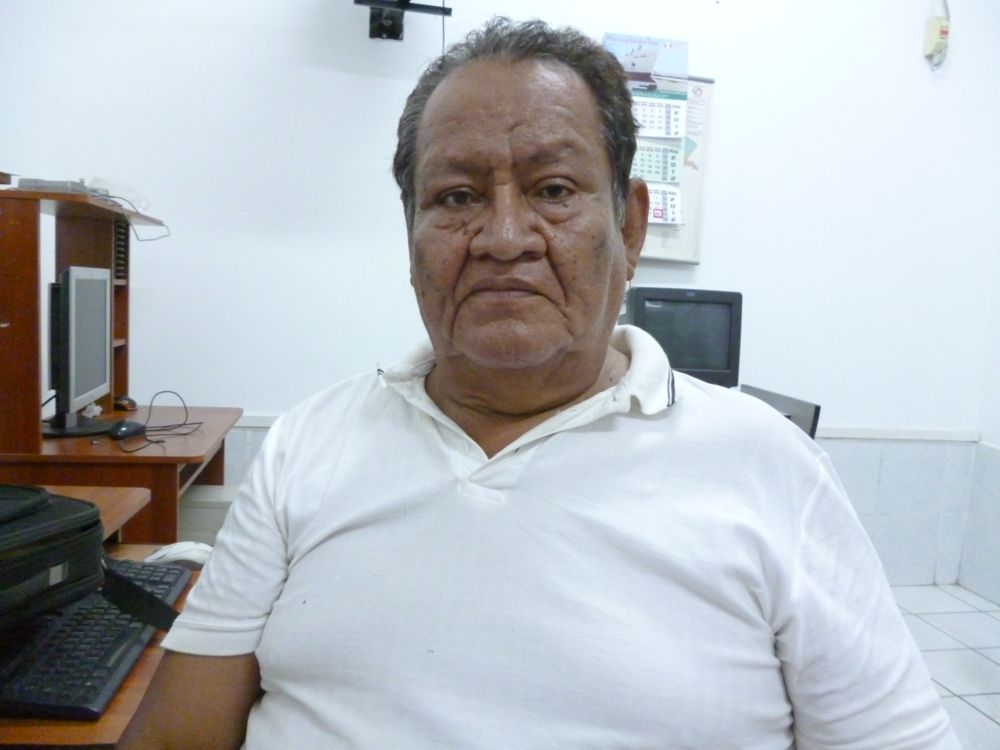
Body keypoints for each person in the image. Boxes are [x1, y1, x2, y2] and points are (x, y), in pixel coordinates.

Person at [120, 17, 959, 749]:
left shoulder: (771, 469)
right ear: (411, 236)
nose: (504, 237)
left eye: (554, 190)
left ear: (629, 226)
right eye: (456, 197)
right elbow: (175, 736)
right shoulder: (309, 445)